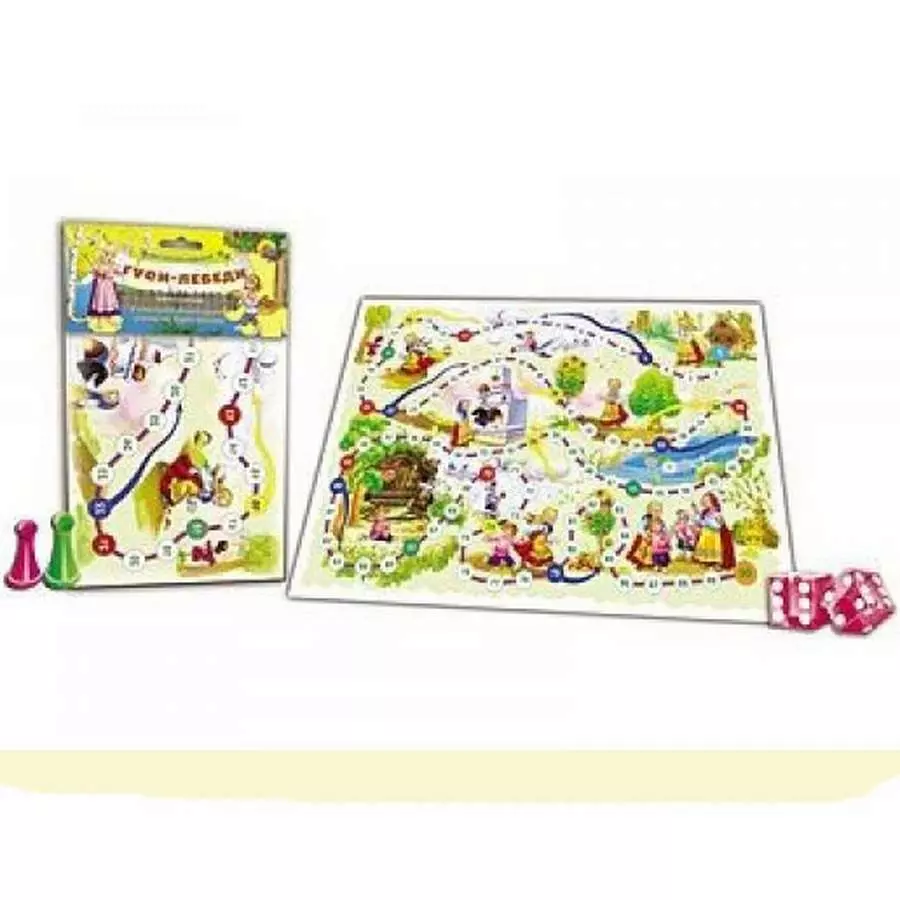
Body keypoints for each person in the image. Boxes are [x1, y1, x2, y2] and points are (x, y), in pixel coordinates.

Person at [693, 492, 736, 569]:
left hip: (714, 534)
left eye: (707, 501)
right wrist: (696, 513)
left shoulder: (717, 514)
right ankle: (706, 561)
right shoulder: (705, 512)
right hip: (705, 534)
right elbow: (700, 521)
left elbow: (719, 526)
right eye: (704, 501)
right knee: (705, 548)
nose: (705, 503)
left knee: (715, 549)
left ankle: (717, 563)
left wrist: (707, 523)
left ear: (712, 501)